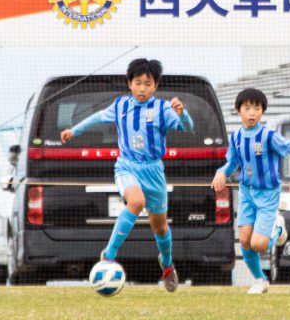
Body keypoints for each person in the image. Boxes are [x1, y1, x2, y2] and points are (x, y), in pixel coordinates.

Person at [61, 59, 192, 293]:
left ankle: (167, 263)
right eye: (138, 83)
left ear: (155, 86)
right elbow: (97, 117)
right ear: (129, 83)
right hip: (127, 166)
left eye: (148, 84)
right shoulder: (120, 105)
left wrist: (182, 115)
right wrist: (74, 131)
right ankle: (109, 254)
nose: (142, 88)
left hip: (154, 171)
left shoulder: (163, 109)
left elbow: (187, 128)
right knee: (136, 202)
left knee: (160, 228)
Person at [212, 88, 290, 294]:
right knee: (244, 240)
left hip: (268, 194)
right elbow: (232, 163)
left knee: (259, 245)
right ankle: (260, 280)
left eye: (257, 108)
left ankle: (277, 229)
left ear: (262, 111)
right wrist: (221, 172)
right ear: (239, 111)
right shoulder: (236, 137)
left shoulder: (268, 136)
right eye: (247, 108)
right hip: (246, 193)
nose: (252, 113)